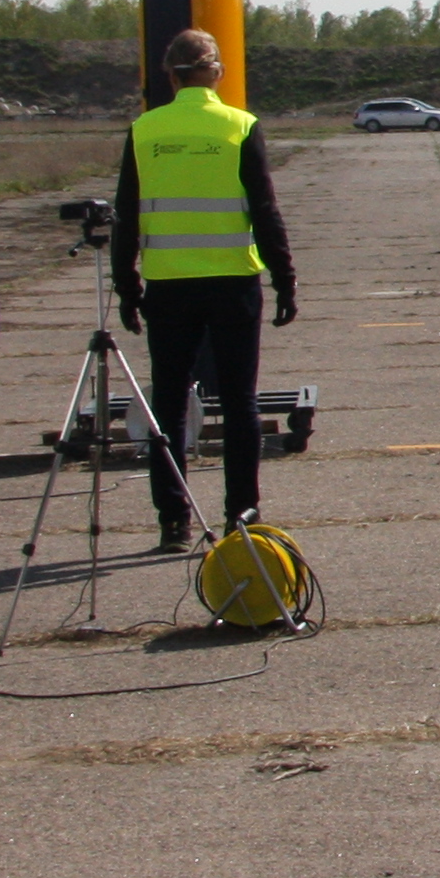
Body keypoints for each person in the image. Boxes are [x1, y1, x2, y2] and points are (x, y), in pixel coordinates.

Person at [112, 28, 297, 547]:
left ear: (170, 75)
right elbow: (264, 209)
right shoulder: (240, 126)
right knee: (239, 402)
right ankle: (243, 512)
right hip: (233, 280)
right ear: (217, 73)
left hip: (168, 283)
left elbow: (127, 214)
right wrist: (284, 278)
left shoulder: (145, 130)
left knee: (168, 403)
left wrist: (127, 286)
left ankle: (173, 519)